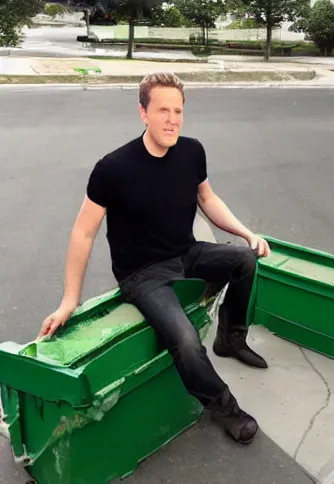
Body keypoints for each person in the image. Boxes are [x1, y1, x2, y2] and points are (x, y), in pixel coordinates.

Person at [38, 71, 271, 445]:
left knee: (244, 261)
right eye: (162, 110)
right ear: (143, 113)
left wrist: (246, 233)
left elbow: (207, 199)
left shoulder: (192, 151)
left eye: (178, 110)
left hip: (185, 252)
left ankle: (231, 338)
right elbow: (83, 233)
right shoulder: (113, 169)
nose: (172, 119)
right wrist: (69, 300)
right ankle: (225, 407)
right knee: (184, 337)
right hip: (142, 274)